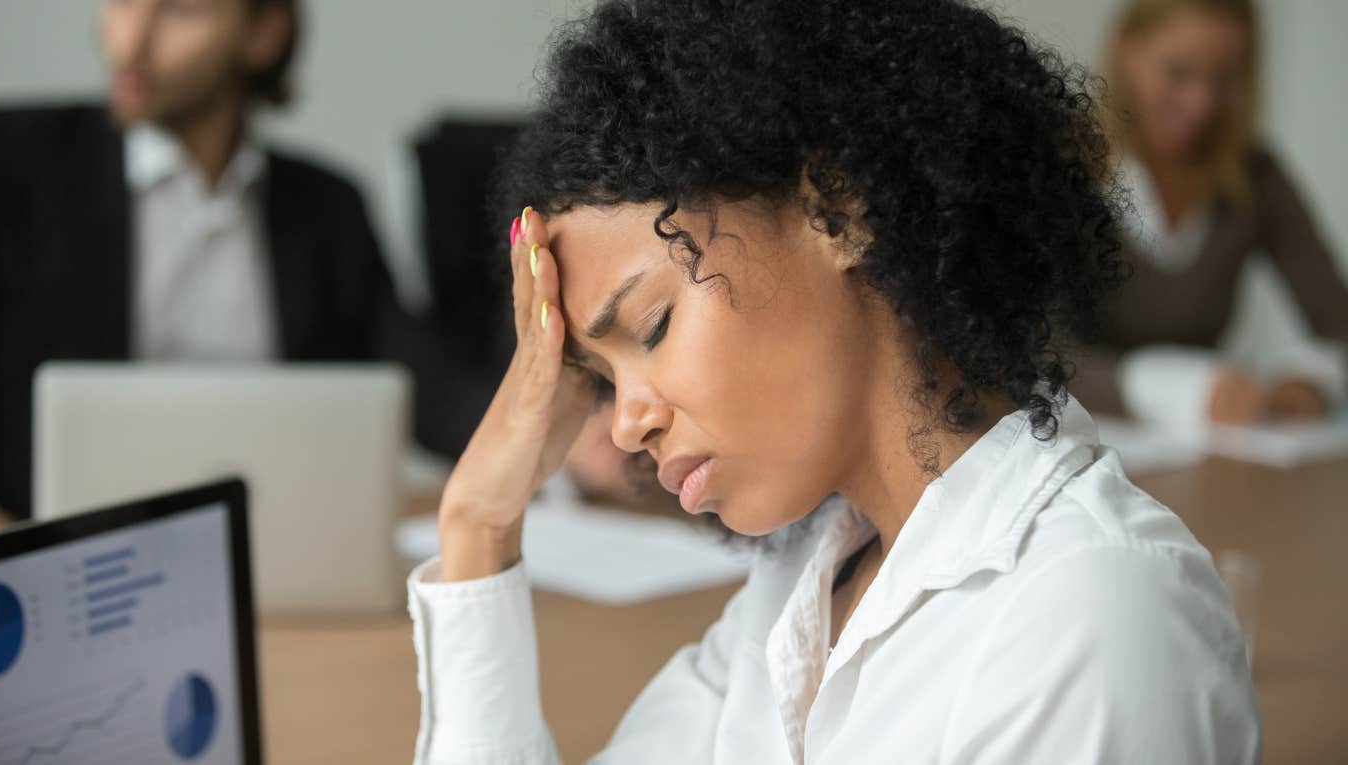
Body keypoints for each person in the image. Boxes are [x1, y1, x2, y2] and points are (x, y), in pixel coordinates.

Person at [404, 0, 1260, 762]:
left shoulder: (1092, 622)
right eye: (597, 376)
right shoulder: (800, 592)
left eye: (653, 327)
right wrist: (479, 523)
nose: (626, 424)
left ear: (839, 213)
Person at [0, 0, 419, 518]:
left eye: (179, 11)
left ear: (264, 33)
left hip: (279, 552)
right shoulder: (9, 166)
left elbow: (422, 379)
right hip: (44, 564)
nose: (130, 44)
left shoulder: (328, 208)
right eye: (122, 3)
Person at [1071, 0, 1348, 426]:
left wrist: (1310, 380)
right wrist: (1174, 388)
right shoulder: (1063, 162)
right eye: (1177, 73)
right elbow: (1027, 349)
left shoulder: (1253, 175)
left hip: (1207, 454)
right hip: (1069, 445)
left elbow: (1337, 320)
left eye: (1223, 79)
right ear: (1126, 50)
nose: (1202, 104)